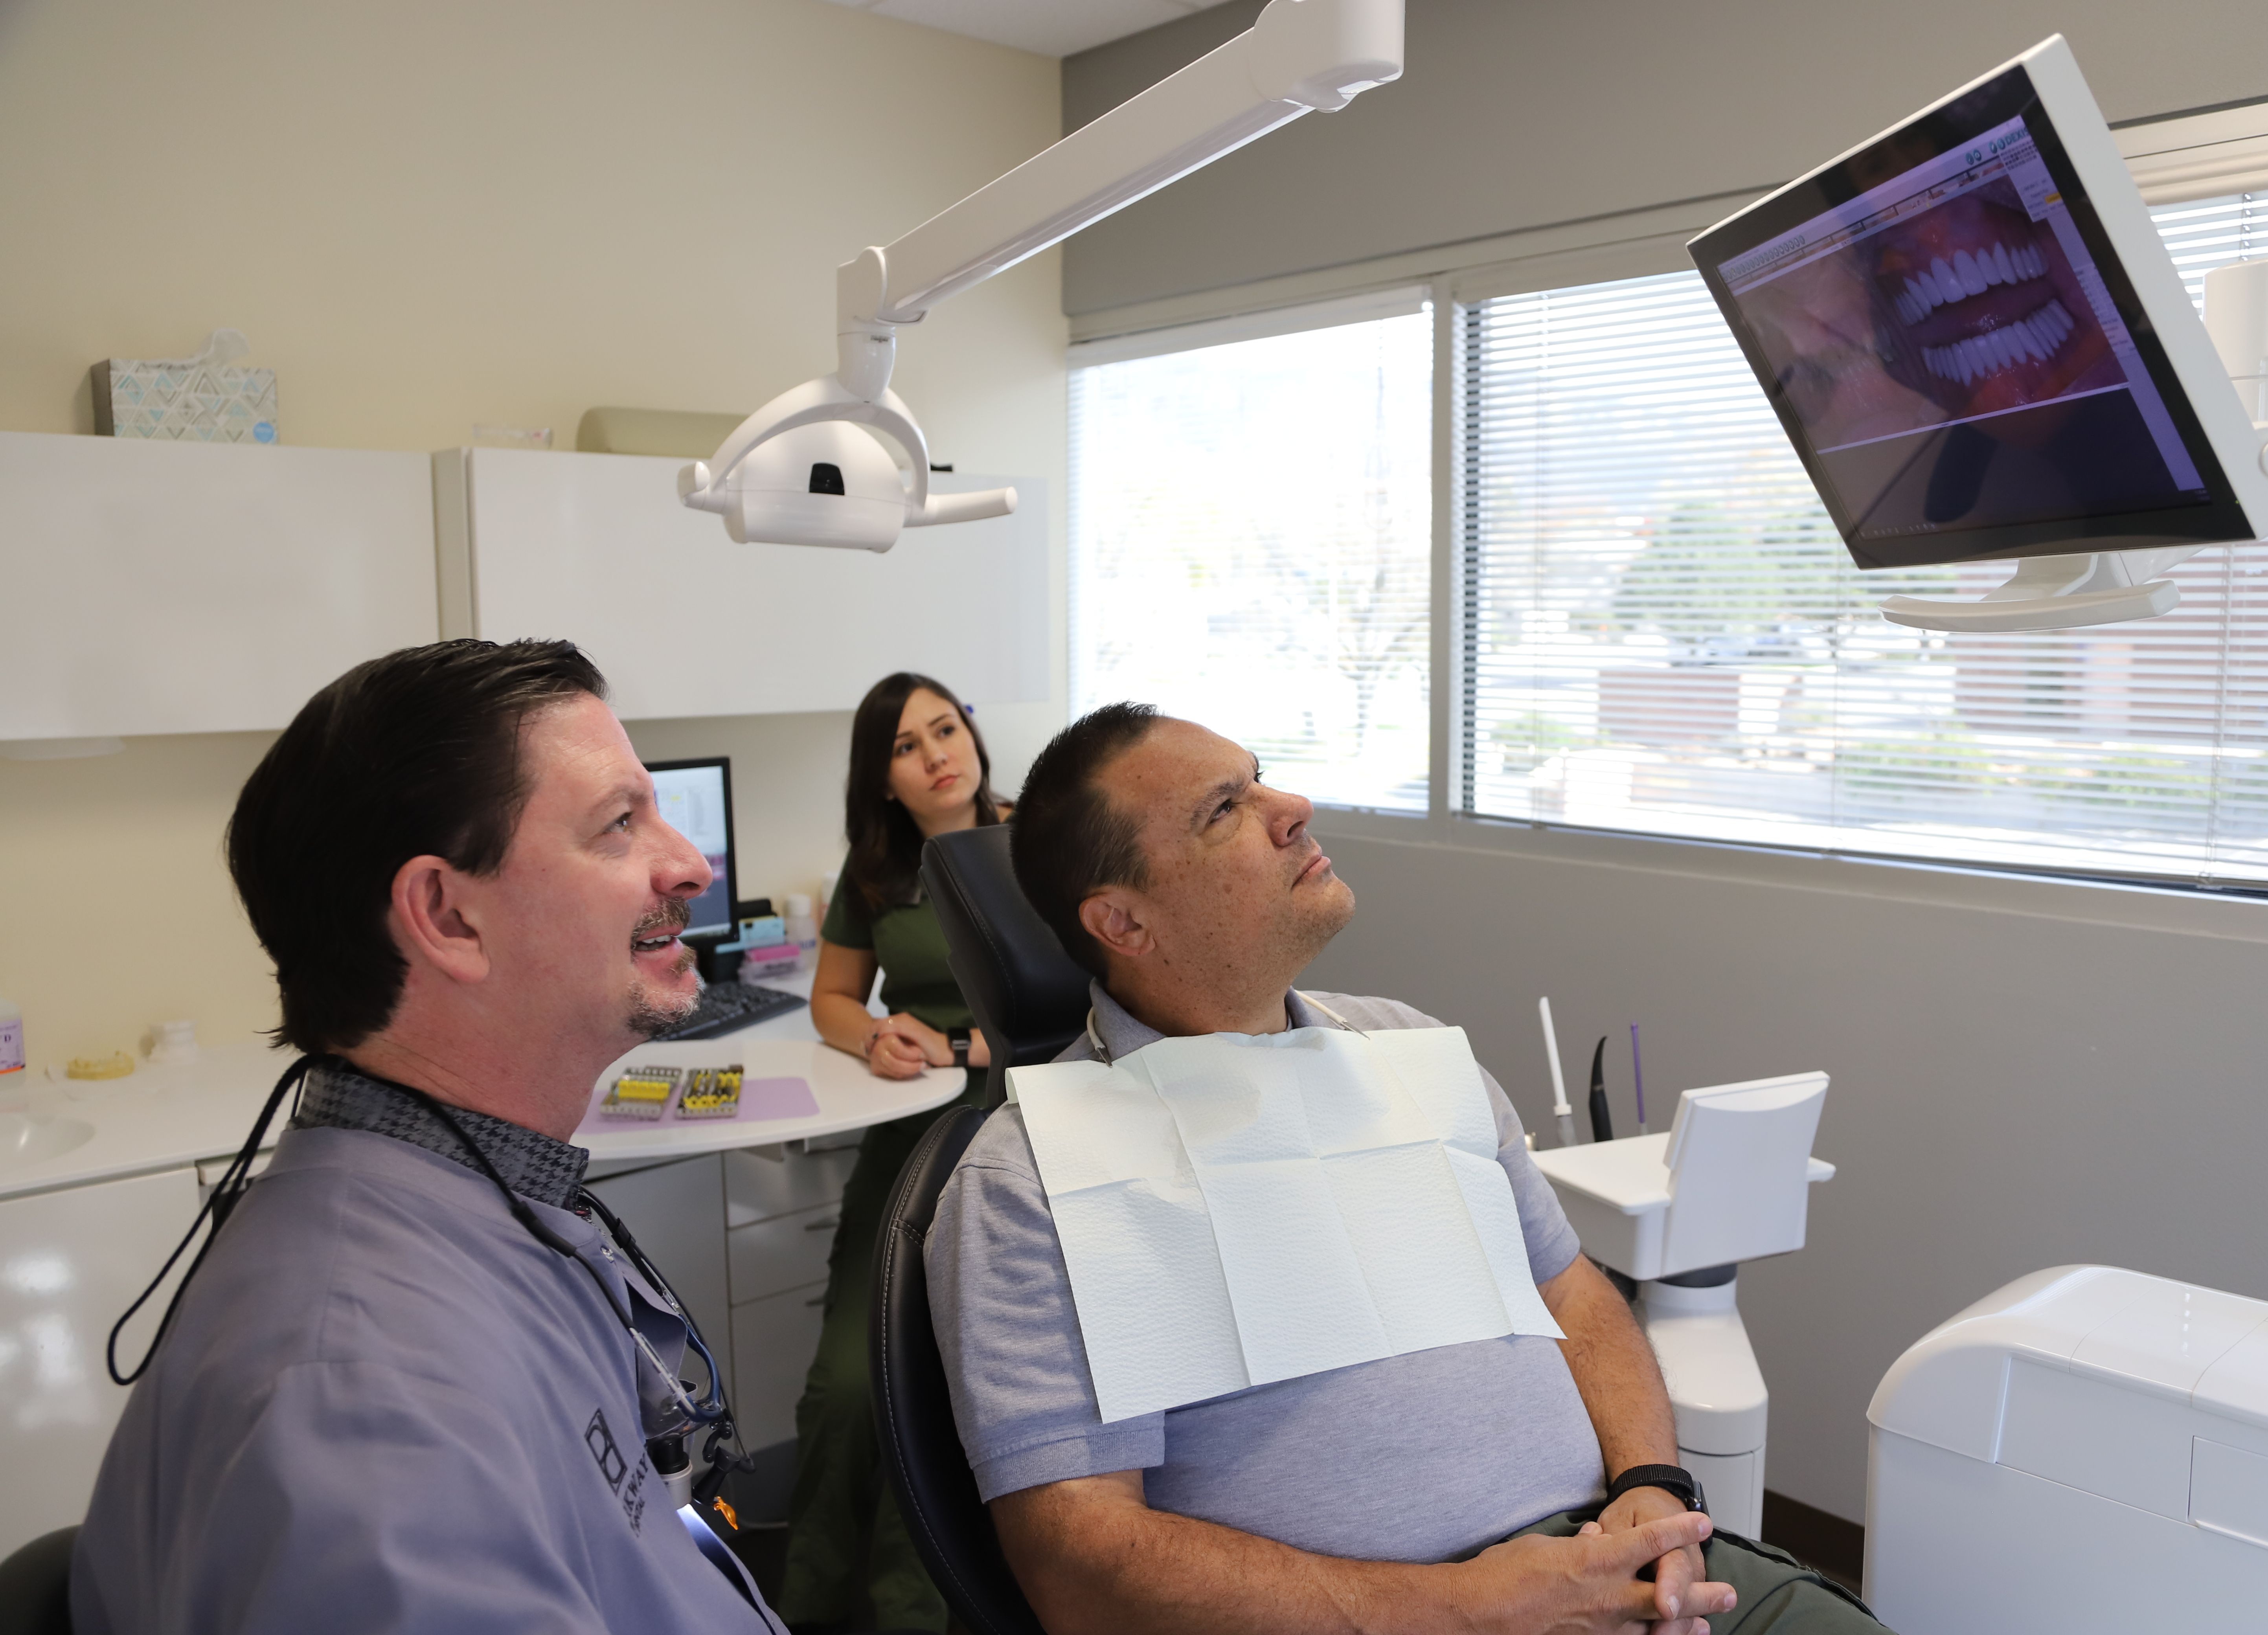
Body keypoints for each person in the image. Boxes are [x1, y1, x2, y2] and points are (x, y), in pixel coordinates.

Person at [929, 703, 1891, 1635]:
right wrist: (1476, 1609)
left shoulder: (1412, 1047)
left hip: (1620, 1564)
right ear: (1124, 923)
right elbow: (1083, 1571)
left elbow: (1576, 1296)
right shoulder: (1032, 1180)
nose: (1291, 807)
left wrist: (1651, 1490)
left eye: (1259, 778)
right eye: (1226, 810)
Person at [72, 639, 785, 1635]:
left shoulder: (477, 1194)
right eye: (621, 824)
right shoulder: (364, 1411)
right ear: (448, 916)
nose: (690, 864)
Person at [779, 672, 1007, 1634]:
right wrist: (872, 1036)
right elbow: (831, 999)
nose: (936, 756)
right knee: (844, 1386)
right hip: (911, 1141)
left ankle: (913, 1612)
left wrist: (959, 1048)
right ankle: (806, 1608)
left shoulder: (1035, 843)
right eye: (907, 748)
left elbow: (1080, 1005)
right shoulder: (877, 868)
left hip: (1016, 1130)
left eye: (945, 730)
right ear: (884, 782)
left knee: (948, 1383)